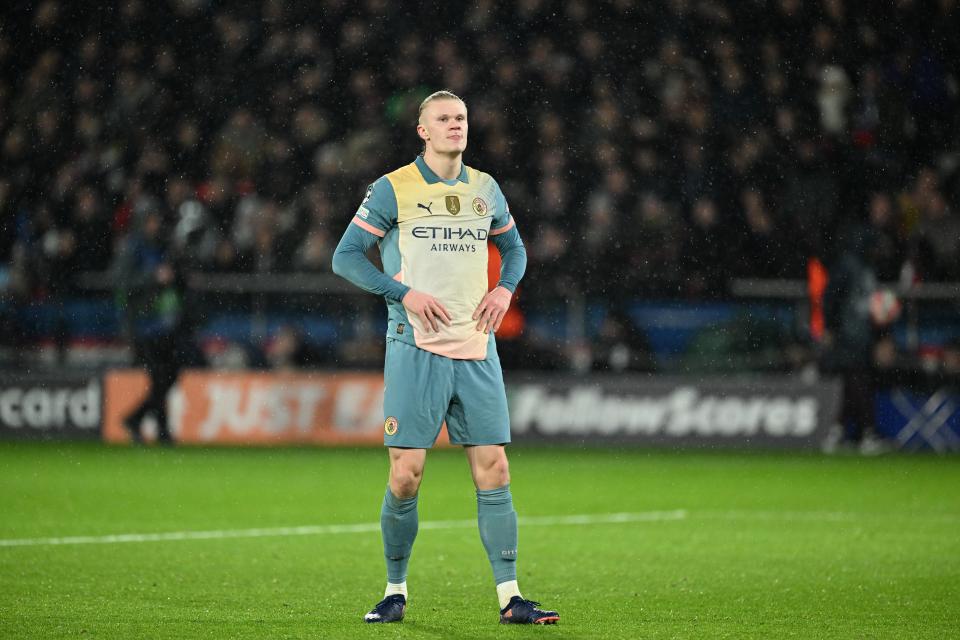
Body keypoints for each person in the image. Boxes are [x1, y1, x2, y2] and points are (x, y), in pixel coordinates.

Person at [331, 90, 559, 625]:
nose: (455, 125)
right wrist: (402, 293)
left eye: (461, 118)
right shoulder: (392, 189)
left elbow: (517, 251)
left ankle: (510, 598)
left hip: (477, 347)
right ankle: (394, 591)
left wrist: (504, 289)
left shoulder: (486, 188)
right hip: (415, 347)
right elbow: (344, 257)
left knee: (495, 468)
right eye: (444, 119)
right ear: (423, 131)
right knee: (407, 474)